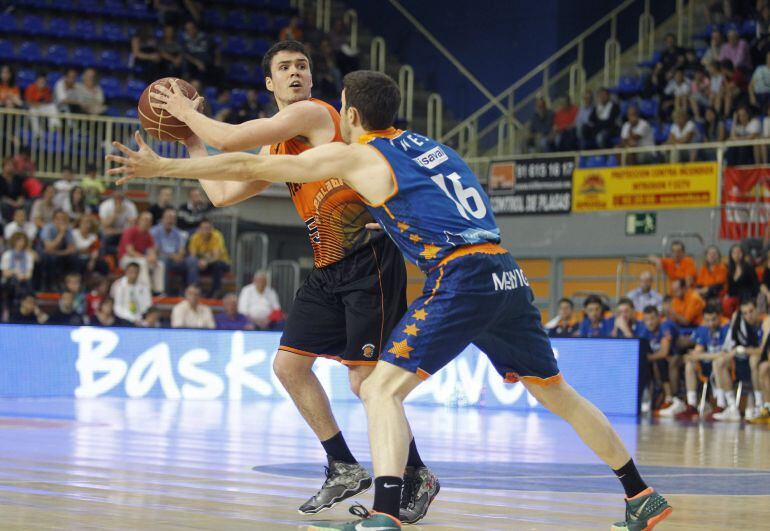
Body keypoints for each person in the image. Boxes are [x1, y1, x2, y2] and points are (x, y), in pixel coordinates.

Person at [107, 69, 672, 531]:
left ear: (349, 116)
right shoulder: (435, 147)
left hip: (460, 275)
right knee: (558, 394)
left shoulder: (360, 155)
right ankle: (638, 493)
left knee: (377, 387)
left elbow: (254, 163)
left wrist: (166, 165)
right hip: (506, 273)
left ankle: (384, 512)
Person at [145, 42, 433, 521]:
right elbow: (221, 194)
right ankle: (342, 464)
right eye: (285, 67)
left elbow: (233, 140)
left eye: (302, 65)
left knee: (366, 384)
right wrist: (191, 143)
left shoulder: (316, 114)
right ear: (268, 83)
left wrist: (180, 111)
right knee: (289, 367)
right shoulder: (277, 146)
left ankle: (416, 472)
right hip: (327, 267)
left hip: (368, 262)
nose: (296, 72)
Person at [713, 299, 767, 421]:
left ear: (758, 309)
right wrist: (734, 352)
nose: (749, 315)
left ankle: (760, 405)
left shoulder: (765, 322)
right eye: (745, 313)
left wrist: (742, 350)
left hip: (759, 363)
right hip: (742, 362)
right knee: (719, 362)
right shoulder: (739, 323)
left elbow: (763, 350)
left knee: (754, 360)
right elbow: (731, 347)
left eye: (751, 311)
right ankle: (732, 407)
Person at [676, 306, 729, 420]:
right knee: (690, 364)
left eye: (713, 319)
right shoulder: (703, 329)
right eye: (707, 320)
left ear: (720, 316)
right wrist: (693, 355)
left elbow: (724, 354)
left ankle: (721, 405)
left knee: (718, 363)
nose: (710, 323)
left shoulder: (726, 328)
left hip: (724, 366)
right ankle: (692, 405)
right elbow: (697, 351)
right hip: (706, 365)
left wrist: (701, 355)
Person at [637, 305, 681, 417]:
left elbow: (664, 352)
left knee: (661, 362)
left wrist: (647, 358)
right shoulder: (644, 332)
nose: (650, 322)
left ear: (659, 318)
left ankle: (672, 398)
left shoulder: (665, 326)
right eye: (647, 320)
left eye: (652, 318)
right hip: (659, 363)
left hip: (677, 357)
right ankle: (648, 399)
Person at [118, 211, 165, 294]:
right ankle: (146, 291)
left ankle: (158, 291)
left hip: (139, 258)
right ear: (139, 220)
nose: (147, 222)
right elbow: (130, 252)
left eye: (150, 221)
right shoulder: (130, 231)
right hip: (125, 259)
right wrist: (146, 258)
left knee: (159, 265)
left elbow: (151, 251)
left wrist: (153, 258)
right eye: (145, 220)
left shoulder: (148, 235)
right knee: (143, 263)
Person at [185, 218, 229, 298]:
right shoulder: (195, 237)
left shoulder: (217, 236)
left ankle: (216, 291)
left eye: (208, 228)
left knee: (217, 265)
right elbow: (193, 255)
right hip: (202, 264)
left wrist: (206, 262)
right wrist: (200, 262)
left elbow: (216, 256)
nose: (206, 230)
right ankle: (193, 289)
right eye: (204, 228)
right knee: (190, 262)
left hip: (219, 262)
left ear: (212, 228)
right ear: (199, 229)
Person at [37, 210, 78, 291]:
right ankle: (51, 285)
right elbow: (49, 247)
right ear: (53, 220)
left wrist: (57, 253)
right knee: (52, 259)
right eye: (58, 219)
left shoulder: (68, 229)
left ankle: (72, 285)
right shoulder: (48, 228)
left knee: (74, 258)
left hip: (58, 253)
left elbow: (72, 249)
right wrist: (61, 234)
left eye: (63, 219)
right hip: (45, 254)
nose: (61, 221)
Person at [150, 208, 188, 295]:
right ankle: (164, 292)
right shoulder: (154, 231)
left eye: (172, 218)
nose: (170, 220)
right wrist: (172, 256)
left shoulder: (179, 233)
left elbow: (181, 250)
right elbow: (156, 251)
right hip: (161, 258)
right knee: (164, 261)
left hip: (176, 260)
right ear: (163, 218)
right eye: (168, 218)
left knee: (191, 262)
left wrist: (179, 256)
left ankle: (189, 291)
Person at [0, 232, 35, 318]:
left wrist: (23, 276)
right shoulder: (7, 254)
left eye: (22, 241)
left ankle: (24, 308)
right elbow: (4, 273)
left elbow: (29, 274)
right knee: (13, 282)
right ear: (14, 242)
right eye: (18, 241)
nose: (20, 243)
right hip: (9, 281)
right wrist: (15, 272)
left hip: (24, 280)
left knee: (25, 284)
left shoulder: (28, 256)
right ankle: (10, 309)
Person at [99, 191, 138, 255]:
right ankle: (103, 259)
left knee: (133, 236)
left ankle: (123, 253)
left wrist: (117, 231)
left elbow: (132, 226)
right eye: (116, 198)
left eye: (121, 198)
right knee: (104, 236)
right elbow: (105, 225)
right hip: (109, 233)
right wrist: (115, 214)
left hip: (123, 232)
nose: (119, 200)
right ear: (112, 197)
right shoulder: (105, 205)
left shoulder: (130, 206)